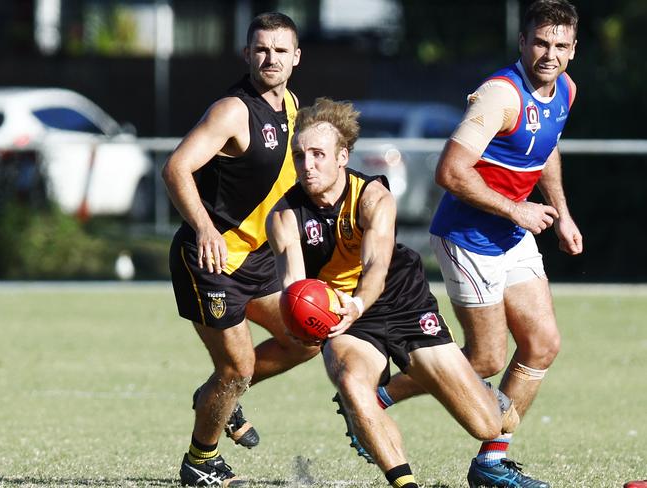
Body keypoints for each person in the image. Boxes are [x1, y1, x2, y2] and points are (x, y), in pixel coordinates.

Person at [353, 2, 582, 487]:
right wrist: (519, 209)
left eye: (561, 45)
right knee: (484, 359)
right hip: (467, 238)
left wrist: (560, 214)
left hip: (511, 234)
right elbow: (449, 171)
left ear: (573, 49)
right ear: (523, 42)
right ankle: (373, 398)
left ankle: (492, 463)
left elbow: (547, 147)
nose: (550, 53)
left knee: (542, 345)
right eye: (541, 42)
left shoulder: (565, 88)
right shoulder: (499, 95)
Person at [266, 98, 519, 488]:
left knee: (489, 423)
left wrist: (357, 304)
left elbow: (376, 268)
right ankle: (404, 482)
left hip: (400, 300)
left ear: (342, 156)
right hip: (342, 314)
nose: (308, 165)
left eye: (318, 154)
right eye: (300, 156)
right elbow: (294, 287)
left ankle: (459, 383)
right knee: (352, 382)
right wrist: (302, 323)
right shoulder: (285, 214)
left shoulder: (372, 197)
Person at [162, 12, 319, 487]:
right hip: (210, 261)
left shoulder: (293, 106)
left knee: (306, 340)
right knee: (236, 366)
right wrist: (206, 229)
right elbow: (176, 169)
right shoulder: (233, 110)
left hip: (256, 258)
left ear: (295, 57)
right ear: (247, 54)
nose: (269, 58)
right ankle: (200, 462)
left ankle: (219, 396)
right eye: (260, 49)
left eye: (279, 50)